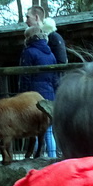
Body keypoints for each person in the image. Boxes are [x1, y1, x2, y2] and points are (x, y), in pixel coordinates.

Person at [19, 25, 58, 157]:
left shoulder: (29, 52)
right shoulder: (51, 54)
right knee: (48, 129)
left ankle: (35, 157)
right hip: (49, 93)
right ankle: (52, 157)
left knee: (33, 129)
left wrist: (22, 94)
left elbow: (25, 76)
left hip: (33, 96)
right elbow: (54, 77)